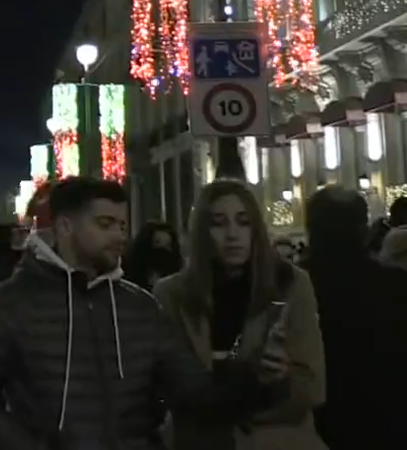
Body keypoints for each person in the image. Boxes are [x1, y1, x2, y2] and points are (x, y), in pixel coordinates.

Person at [0, 177, 278, 450]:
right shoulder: (10, 302)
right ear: (65, 227)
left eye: (122, 225)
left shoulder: (140, 307)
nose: (119, 236)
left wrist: (255, 380)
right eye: (105, 224)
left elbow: (191, 390)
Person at [154, 179, 325, 449]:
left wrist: (281, 382)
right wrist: (249, 384)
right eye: (219, 223)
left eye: (243, 222)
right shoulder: (171, 294)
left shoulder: (290, 284)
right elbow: (177, 389)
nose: (233, 234)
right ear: (201, 231)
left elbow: (313, 388)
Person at [301, 186, 407, 450]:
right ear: (362, 230)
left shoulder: (289, 289)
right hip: (388, 426)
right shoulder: (396, 286)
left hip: (315, 430)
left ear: (312, 230)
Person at [123, 221, 182, 290]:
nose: (162, 252)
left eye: (168, 245)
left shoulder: (175, 284)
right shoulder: (127, 280)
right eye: (157, 243)